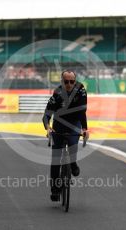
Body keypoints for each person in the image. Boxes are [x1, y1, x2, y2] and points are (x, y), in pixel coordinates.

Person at [42, 70, 89, 201]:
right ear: (62, 81)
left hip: (74, 123)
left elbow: (82, 112)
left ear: (75, 82)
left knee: (73, 146)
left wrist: (85, 129)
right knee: (56, 159)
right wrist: (48, 128)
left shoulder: (81, 90)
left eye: (72, 82)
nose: (69, 84)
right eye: (66, 81)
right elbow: (46, 115)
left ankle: (73, 163)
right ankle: (55, 189)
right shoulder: (57, 93)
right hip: (59, 124)